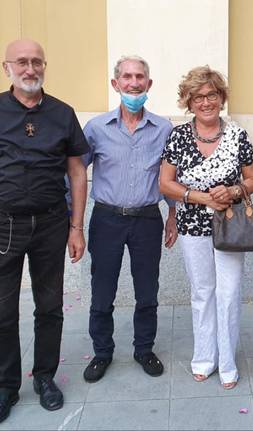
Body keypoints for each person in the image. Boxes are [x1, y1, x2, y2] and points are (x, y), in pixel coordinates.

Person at [0, 39, 89, 422]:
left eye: (36, 62)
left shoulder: (62, 113)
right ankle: (6, 385)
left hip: (52, 222)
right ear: (7, 68)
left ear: (44, 67)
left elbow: (77, 171)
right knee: (3, 310)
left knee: (49, 306)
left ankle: (45, 377)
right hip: (4, 224)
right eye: (22, 62)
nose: (30, 69)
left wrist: (76, 227)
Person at [160, 65, 253, 390]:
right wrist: (201, 197)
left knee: (228, 294)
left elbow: (252, 179)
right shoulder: (178, 136)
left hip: (230, 226)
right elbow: (166, 183)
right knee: (203, 293)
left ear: (221, 97)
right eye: (198, 97)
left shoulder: (237, 135)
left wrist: (232, 192)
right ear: (189, 102)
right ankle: (204, 358)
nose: (206, 102)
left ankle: (227, 362)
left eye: (212, 95)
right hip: (192, 225)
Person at [81, 55, 177, 383]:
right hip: (106, 219)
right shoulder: (95, 129)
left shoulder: (164, 129)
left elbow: (170, 177)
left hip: (147, 219)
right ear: (116, 83)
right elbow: (75, 173)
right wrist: (72, 222)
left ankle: (143, 349)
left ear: (149, 85)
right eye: (127, 77)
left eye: (140, 77)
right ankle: (102, 352)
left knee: (147, 289)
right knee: (102, 289)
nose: (133, 83)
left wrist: (174, 214)